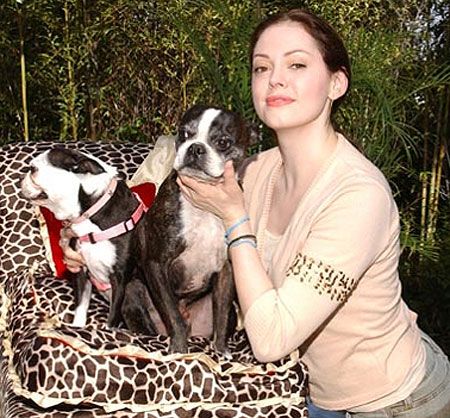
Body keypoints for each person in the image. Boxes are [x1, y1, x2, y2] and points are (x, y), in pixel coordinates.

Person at [63, 9, 450, 418]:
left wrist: (235, 219)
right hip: (304, 391)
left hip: (393, 402)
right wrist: (96, 249)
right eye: (261, 67)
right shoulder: (253, 170)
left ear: (336, 83)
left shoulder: (357, 196)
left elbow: (269, 339)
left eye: (296, 64)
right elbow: (156, 225)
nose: (275, 78)